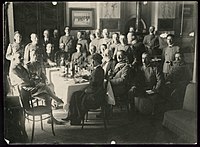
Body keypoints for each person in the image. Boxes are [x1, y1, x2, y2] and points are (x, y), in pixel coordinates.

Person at [9, 53, 64, 124]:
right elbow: (22, 82)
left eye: (22, 57)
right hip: (25, 92)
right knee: (45, 87)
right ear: (14, 59)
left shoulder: (21, 67)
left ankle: (51, 118)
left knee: (47, 96)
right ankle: (57, 99)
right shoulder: (14, 71)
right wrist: (33, 83)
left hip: (30, 88)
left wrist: (34, 80)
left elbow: (28, 77)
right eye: (19, 58)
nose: (22, 58)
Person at [62, 53, 105, 125]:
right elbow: (93, 79)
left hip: (94, 94)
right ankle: (71, 115)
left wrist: (85, 90)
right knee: (75, 95)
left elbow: (94, 85)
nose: (91, 63)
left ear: (95, 61)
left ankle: (76, 118)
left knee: (76, 96)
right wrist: (84, 77)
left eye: (92, 61)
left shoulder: (97, 71)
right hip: (94, 91)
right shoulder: (98, 70)